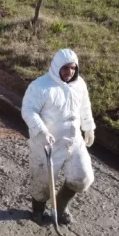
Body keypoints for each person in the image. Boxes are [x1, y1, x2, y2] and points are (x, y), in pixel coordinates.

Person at [21, 49, 96, 225]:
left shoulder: (80, 85)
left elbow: (85, 106)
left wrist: (88, 127)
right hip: (47, 144)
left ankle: (61, 205)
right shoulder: (40, 86)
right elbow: (29, 110)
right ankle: (38, 210)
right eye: (65, 68)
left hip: (74, 141)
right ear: (56, 67)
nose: (69, 72)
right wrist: (41, 131)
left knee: (83, 177)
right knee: (42, 182)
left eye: (72, 68)